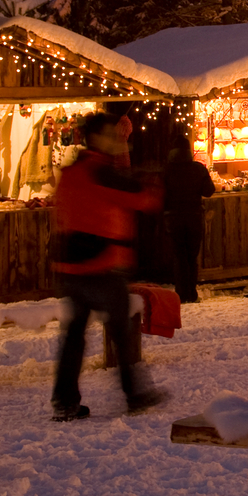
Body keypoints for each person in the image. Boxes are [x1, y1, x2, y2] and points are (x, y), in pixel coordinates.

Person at [50, 112, 166, 420]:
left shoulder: (72, 172)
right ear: (99, 138)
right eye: (113, 136)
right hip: (102, 264)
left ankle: (65, 401)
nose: (117, 142)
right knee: (121, 333)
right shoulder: (100, 171)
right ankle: (136, 394)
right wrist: (149, 180)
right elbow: (144, 200)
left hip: (71, 265)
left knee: (73, 337)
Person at [162, 139, 214, 303]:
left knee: (179, 256)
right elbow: (209, 191)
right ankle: (191, 292)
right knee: (192, 257)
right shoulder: (198, 168)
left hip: (173, 218)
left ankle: (181, 293)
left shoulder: (167, 170)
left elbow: (160, 195)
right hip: (194, 217)